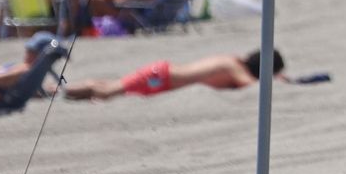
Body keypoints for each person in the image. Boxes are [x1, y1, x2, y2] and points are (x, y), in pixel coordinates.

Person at [65, 49, 286, 101]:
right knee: (108, 92)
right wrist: (278, 82)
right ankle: (60, 90)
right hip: (161, 76)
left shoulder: (234, 61)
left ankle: (64, 89)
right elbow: (251, 86)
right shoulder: (233, 66)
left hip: (163, 75)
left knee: (112, 87)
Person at [0, 32, 60, 104]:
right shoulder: (30, 71)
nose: (27, 52)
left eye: (31, 50)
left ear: (40, 54)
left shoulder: (26, 70)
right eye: (28, 49)